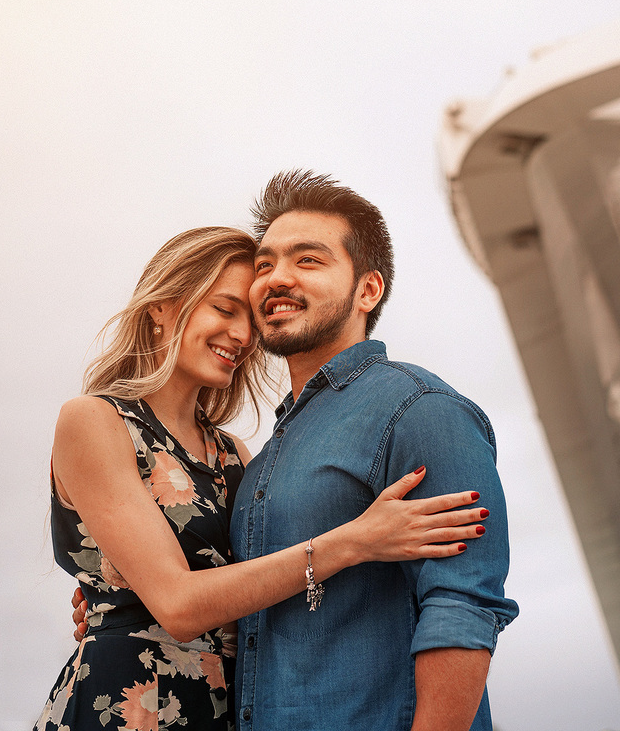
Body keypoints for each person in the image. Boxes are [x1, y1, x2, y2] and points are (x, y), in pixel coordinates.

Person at [36, 226, 488, 730]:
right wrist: (358, 540)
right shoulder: (94, 420)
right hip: (127, 704)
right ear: (160, 307)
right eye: (224, 309)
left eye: (249, 320)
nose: (242, 335)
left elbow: (262, 584)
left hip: (231, 708)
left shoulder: (236, 458)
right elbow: (180, 606)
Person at [232, 170, 519, 731]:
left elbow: (463, 606)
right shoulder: (264, 462)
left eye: (308, 261)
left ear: (368, 289)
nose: (276, 279)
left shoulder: (419, 409)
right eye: (264, 265)